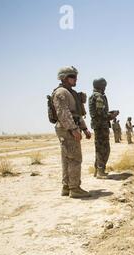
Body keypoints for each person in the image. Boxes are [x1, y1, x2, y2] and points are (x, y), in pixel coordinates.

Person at [52, 66, 92, 198]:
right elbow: (63, 113)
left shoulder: (70, 92)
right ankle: (74, 188)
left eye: (75, 76)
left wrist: (85, 129)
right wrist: (73, 129)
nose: (76, 79)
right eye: (72, 76)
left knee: (67, 158)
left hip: (69, 127)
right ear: (64, 78)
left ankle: (66, 187)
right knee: (74, 158)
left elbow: (76, 114)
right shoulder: (61, 92)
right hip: (67, 128)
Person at [88, 78, 119, 178]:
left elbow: (99, 112)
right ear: (101, 86)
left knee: (100, 148)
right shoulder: (98, 96)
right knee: (103, 149)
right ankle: (100, 171)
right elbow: (100, 114)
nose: (105, 87)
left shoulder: (96, 96)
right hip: (101, 126)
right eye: (104, 85)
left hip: (99, 125)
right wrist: (111, 116)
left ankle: (98, 170)